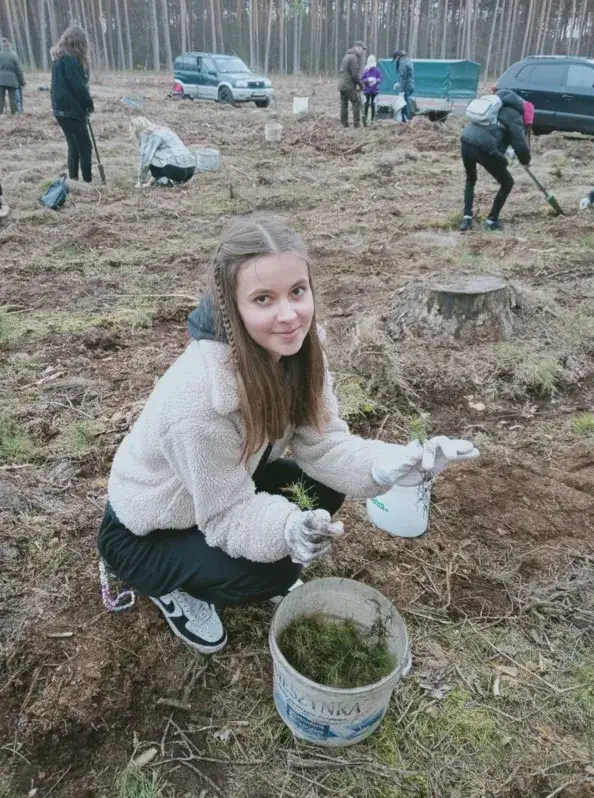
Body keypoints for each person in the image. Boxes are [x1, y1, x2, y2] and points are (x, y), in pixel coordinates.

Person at [97, 214, 479, 653]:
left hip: (220, 488)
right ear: (231, 308)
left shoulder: (297, 349)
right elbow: (225, 515)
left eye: (297, 291)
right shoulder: (200, 401)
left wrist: (391, 465)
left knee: (319, 490)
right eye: (263, 299)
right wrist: (285, 531)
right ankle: (171, 587)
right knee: (272, 572)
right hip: (146, 529)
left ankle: (227, 560)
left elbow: (324, 444)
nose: (288, 315)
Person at [459, 90, 531, 232]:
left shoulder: (493, 105)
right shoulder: (514, 115)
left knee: (470, 179)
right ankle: (491, 221)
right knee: (507, 182)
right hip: (484, 148)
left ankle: (466, 219)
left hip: (466, 140)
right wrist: (525, 160)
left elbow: (495, 133)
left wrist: (507, 153)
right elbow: (521, 146)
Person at [51, 26, 95, 183]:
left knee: (74, 146)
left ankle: (74, 181)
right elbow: (78, 86)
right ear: (80, 42)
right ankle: (87, 183)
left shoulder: (59, 58)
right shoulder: (70, 59)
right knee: (85, 147)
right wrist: (88, 103)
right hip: (71, 111)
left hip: (61, 110)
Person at [130, 116, 196, 188]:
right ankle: (155, 182)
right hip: (191, 169)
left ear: (136, 128)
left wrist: (140, 182)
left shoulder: (147, 134)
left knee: (149, 157)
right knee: (158, 156)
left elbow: (145, 159)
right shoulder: (165, 130)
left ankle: (173, 179)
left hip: (177, 171)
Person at [338, 41, 366, 128]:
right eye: (362, 49)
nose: (362, 52)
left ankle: (344, 123)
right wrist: (361, 85)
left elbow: (342, 71)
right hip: (349, 85)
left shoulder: (346, 56)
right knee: (356, 102)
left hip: (341, 85)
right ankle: (357, 124)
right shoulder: (354, 58)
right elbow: (355, 75)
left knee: (344, 104)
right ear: (357, 47)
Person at [0, 37, 25, 116]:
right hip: (12, 80)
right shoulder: (14, 55)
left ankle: (0, 113)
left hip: (0, 80)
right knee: (13, 99)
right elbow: (18, 70)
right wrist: (22, 81)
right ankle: (14, 114)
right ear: (9, 46)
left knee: (1, 98)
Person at [393, 50, 415, 123]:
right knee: (406, 101)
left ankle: (406, 119)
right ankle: (405, 119)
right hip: (410, 85)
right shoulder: (408, 61)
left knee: (404, 102)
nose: (395, 61)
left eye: (395, 59)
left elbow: (403, 76)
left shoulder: (403, 63)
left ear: (398, 57)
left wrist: (401, 89)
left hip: (406, 86)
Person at [361, 55, 383, 126]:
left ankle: (372, 119)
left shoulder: (377, 70)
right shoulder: (365, 70)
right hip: (367, 90)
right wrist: (367, 80)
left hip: (374, 90)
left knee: (373, 104)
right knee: (366, 104)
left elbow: (380, 78)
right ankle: (366, 119)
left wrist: (376, 80)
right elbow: (362, 79)